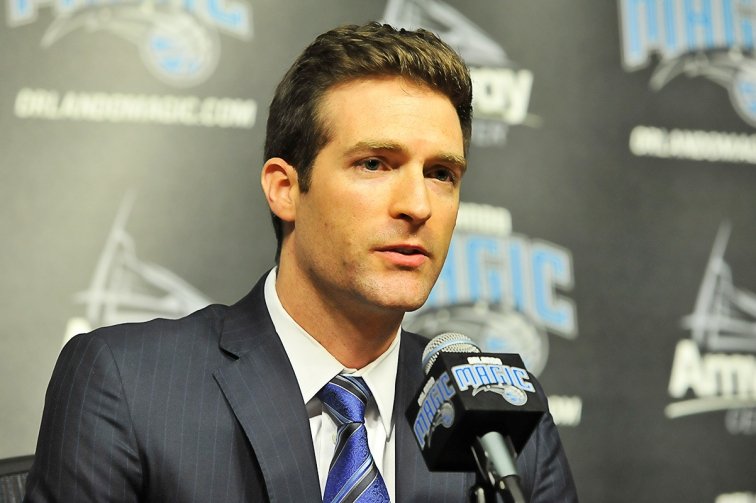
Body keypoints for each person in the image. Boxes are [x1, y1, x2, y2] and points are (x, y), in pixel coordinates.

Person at [24, 23, 577, 502]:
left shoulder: (494, 421)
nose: (418, 205)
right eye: (375, 164)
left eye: (441, 174)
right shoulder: (128, 383)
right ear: (285, 189)